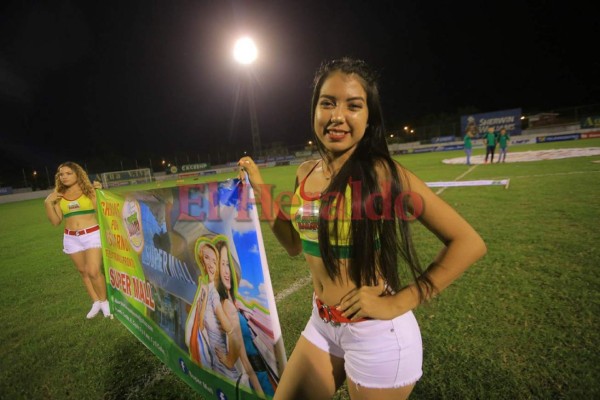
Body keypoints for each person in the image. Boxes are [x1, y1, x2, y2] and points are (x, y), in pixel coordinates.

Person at [238, 57, 486, 400]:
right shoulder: (305, 172)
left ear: (368, 118)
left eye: (353, 106)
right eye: (328, 103)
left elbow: (468, 242)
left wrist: (399, 302)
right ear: (314, 110)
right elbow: (294, 244)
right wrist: (260, 189)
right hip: (323, 324)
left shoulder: (383, 174)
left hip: (377, 335)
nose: (338, 116)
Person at [44, 161, 110, 319]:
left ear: (77, 174)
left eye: (68, 173)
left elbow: (103, 211)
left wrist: (101, 192)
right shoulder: (58, 195)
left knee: (93, 270)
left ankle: (105, 302)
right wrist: (47, 203)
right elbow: (55, 221)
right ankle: (96, 302)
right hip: (71, 237)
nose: (64, 177)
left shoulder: (90, 191)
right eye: (61, 174)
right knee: (83, 272)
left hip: (92, 234)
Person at [215, 240, 267, 397]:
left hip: (264, 371)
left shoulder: (234, 303)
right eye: (221, 265)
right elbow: (247, 363)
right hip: (259, 379)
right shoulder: (227, 306)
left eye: (227, 264)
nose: (226, 271)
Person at [185, 239, 239, 379]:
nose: (210, 263)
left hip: (225, 371)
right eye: (206, 258)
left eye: (214, 261)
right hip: (214, 366)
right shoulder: (207, 291)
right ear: (202, 262)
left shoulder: (214, 294)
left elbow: (231, 330)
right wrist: (203, 296)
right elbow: (201, 326)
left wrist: (229, 360)